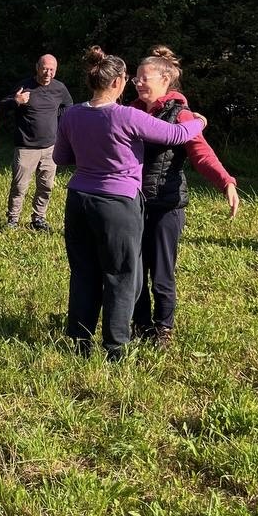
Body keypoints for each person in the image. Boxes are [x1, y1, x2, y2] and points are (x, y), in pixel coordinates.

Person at [53, 47, 208, 360]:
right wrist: (200, 122)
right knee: (121, 274)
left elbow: (60, 157)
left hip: (78, 200)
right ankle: (115, 347)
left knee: (83, 272)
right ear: (117, 83)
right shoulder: (127, 115)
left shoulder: (71, 114)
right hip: (117, 204)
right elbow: (175, 135)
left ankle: (80, 342)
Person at [131, 46, 238, 346]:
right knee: (136, 270)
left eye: (144, 78)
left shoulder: (181, 114)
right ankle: (140, 324)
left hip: (167, 205)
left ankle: (163, 328)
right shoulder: (132, 111)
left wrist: (226, 182)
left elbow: (201, 154)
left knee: (161, 272)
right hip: (134, 203)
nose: (138, 83)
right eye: (136, 79)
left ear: (165, 80)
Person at [1, 54, 72, 232]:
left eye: (52, 70)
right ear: (37, 67)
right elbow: (1, 106)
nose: (48, 73)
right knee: (19, 186)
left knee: (46, 186)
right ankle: (13, 220)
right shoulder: (24, 86)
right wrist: (16, 101)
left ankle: (39, 218)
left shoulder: (59, 88)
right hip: (26, 147)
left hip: (50, 147)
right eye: (45, 69)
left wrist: (58, 125)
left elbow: (68, 107)